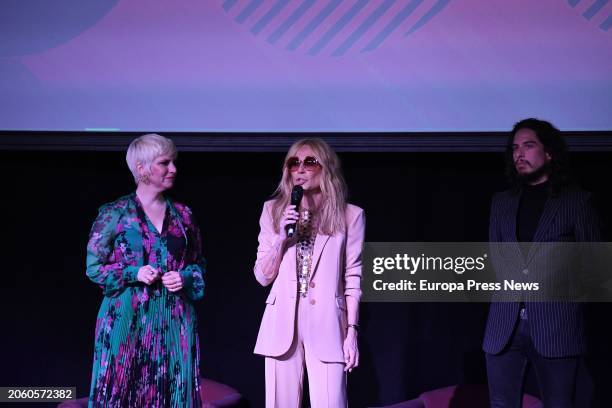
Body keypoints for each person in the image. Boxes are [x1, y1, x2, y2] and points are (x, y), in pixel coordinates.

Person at [484, 119, 601, 407]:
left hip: (557, 328)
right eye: (514, 148)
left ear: (549, 153)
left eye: (528, 145)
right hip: (504, 328)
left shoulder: (577, 202)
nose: (519, 154)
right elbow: (496, 259)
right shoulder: (502, 202)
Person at [86, 134, 205, 407]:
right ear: (141, 168)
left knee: (173, 392)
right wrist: (133, 273)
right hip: (126, 318)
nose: (173, 169)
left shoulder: (184, 215)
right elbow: (94, 267)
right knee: (121, 391)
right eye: (164, 163)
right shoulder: (115, 212)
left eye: (173, 162)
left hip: (174, 319)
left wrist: (185, 277)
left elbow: (199, 263)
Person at [253, 138, 365, 407]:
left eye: (309, 162)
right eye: (293, 163)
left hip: (328, 321)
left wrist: (352, 332)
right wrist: (281, 239)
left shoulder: (350, 215)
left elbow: (353, 277)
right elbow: (262, 276)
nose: (300, 169)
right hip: (282, 322)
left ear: (325, 167)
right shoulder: (274, 210)